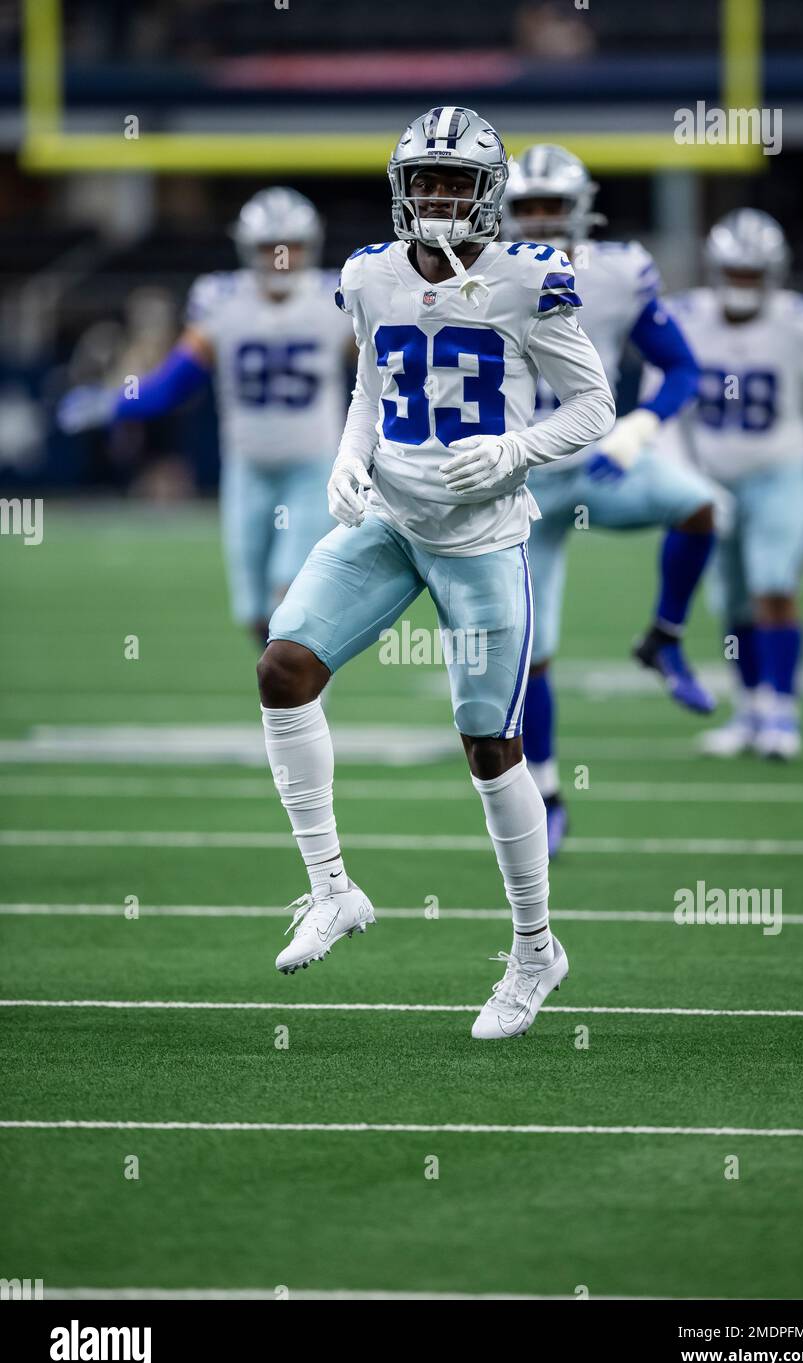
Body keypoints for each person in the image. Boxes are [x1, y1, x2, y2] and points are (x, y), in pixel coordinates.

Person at [256, 107, 615, 1040]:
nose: (439, 196)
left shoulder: (527, 280)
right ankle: (333, 890)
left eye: (457, 182)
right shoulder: (367, 273)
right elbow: (372, 384)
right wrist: (350, 456)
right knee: (282, 669)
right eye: (426, 179)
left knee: (490, 747)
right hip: (389, 518)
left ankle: (536, 951)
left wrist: (514, 451)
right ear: (400, 185)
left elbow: (593, 406)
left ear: (488, 194)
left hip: (483, 538)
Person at [502, 145, 715, 852]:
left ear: (579, 210)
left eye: (550, 208)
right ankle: (550, 790)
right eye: (526, 208)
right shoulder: (475, 272)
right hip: (519, 479)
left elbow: (681, 365)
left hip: (602, 464)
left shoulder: (617, 272)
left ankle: (664, 639)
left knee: (702, 508)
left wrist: (643, 426)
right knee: (529, 651)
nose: (537, 222)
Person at [58, 187, 354, 644]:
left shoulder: (334, 298)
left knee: (290, 594)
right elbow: (177, 382)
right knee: (255, 610)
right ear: (247, 249)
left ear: (309, 245)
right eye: (268, 247)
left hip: (314, 469)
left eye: (291, 246)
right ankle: (284, 692)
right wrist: (114, 401)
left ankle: (305, 704)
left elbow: (381, 374)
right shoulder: (223, 299)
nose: (280, 258)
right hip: (248, 469)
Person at [648, 209, 803, 760]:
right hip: (710, 475)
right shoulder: (684, 316)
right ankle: (750, 709)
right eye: (736, 273)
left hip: (781, 470)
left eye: (753, 274)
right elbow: (661, 411)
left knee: (774, 586)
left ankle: (782, 713)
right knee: (732, 601)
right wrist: (685, 480)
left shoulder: (800, 324)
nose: (743, 284)